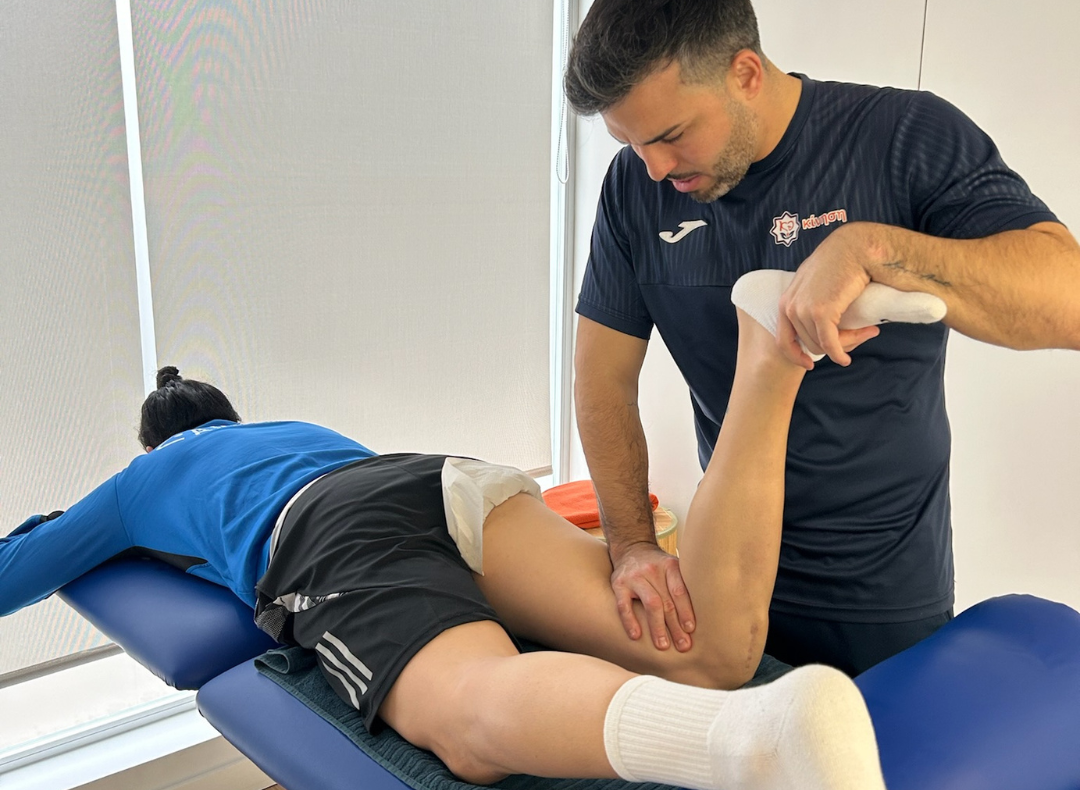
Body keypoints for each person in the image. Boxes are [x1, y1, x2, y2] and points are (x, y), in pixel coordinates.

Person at [1, 333, 888, 790]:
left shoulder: (147, 476)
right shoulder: (291, 428)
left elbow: (18, 572)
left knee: (471, 731)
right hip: (441, 479)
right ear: (233, 415)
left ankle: (749, 744)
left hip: (330, 537)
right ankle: (770, 361)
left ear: (157, 442)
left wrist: (62, 523)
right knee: (702, 653)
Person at [564, 0, 1080, 675]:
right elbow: (602, 380)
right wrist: (632, 543)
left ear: (746, 74)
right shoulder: (634, 188)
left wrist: (872, 248)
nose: (654, 167)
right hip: (722, 578)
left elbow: (1066, 298)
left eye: (671, 135)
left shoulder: (902, 136)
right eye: (631, 143)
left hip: (884, 593)